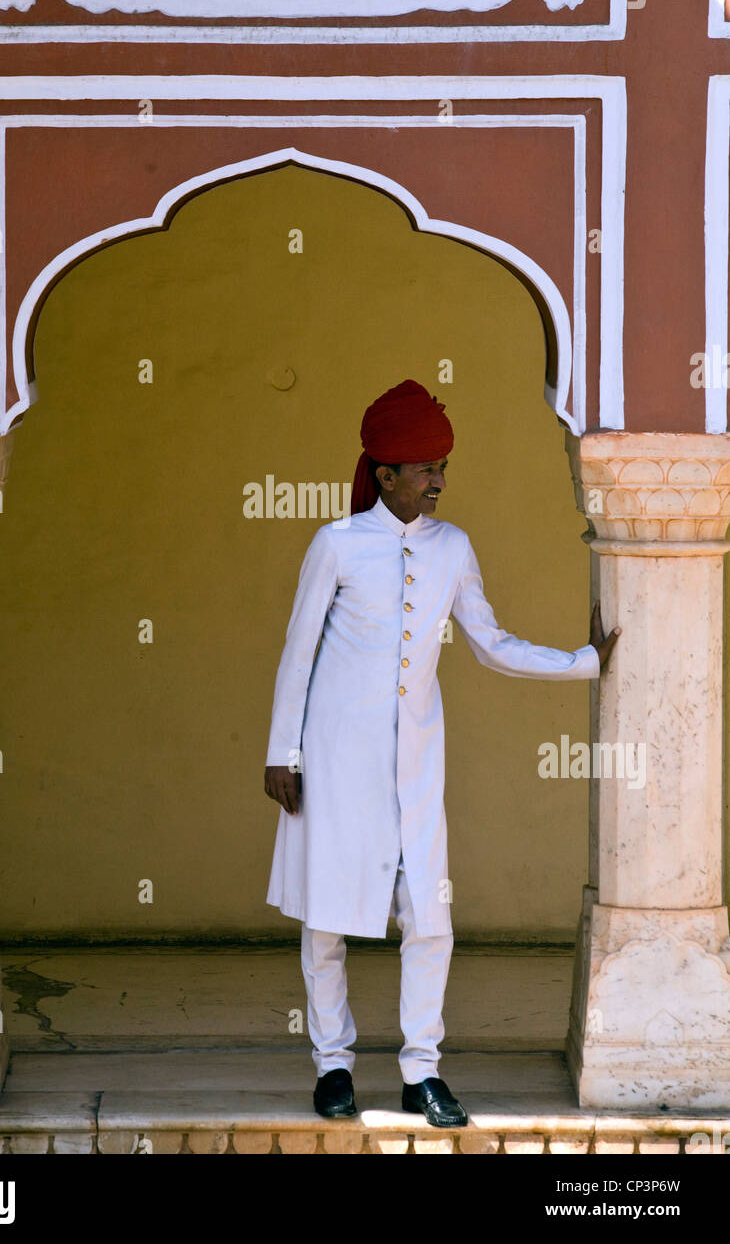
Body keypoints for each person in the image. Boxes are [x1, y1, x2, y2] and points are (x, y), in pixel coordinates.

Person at [263, 379, 621, 1126]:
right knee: (326, 919)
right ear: (384, 473)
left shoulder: (452, 547)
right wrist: (282, 753)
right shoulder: (336, 543)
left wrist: (582, 661)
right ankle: (333, 1066)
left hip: (418, 763)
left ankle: (422, 1072)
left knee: (430, 918)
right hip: (332, 758)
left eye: (442, 466)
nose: (438, 480)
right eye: (424, 467)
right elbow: (296, 655)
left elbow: (490, 643)